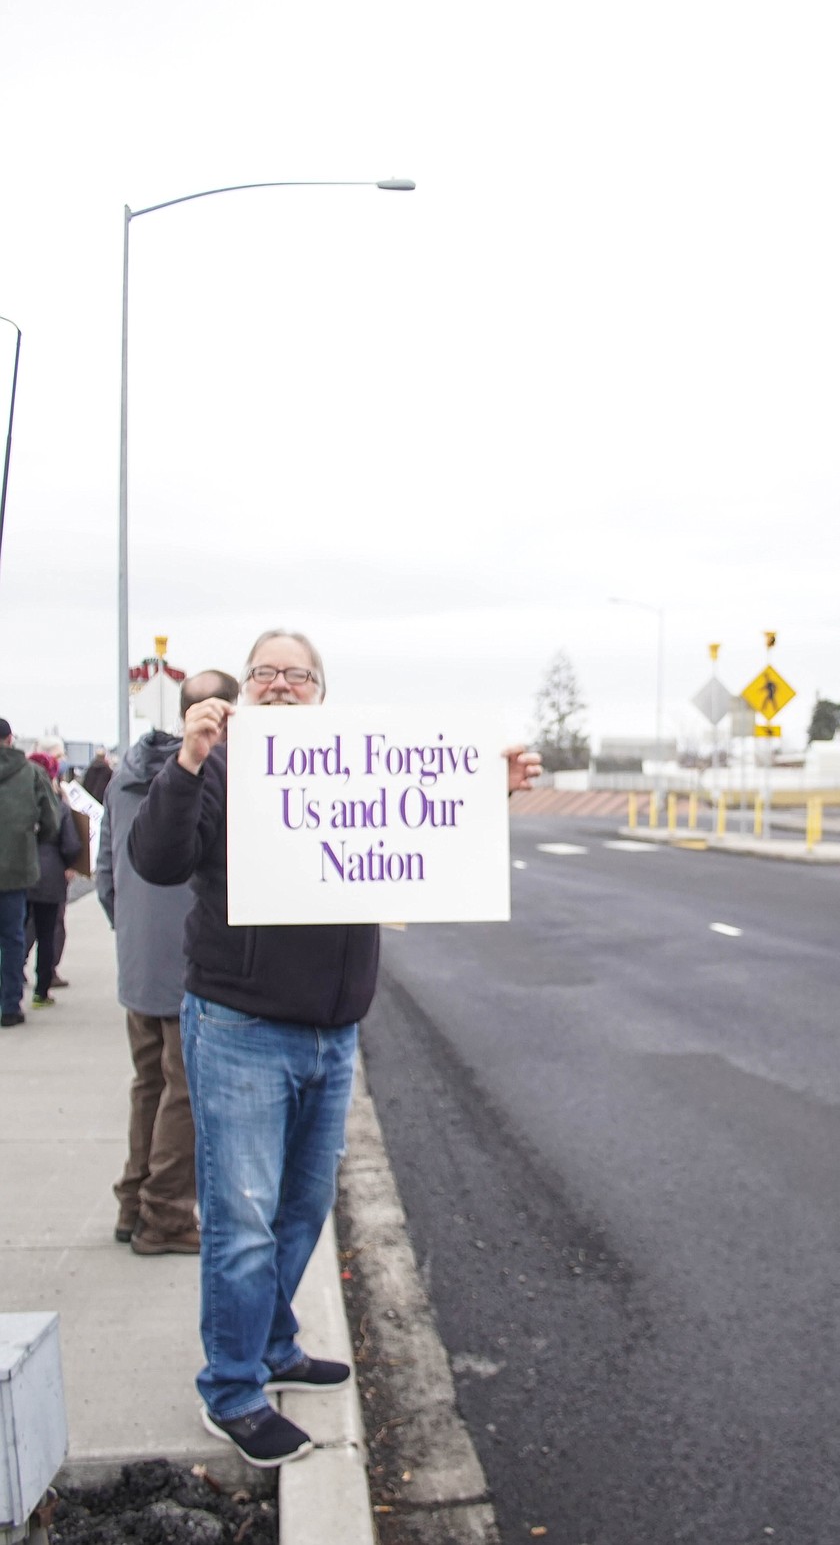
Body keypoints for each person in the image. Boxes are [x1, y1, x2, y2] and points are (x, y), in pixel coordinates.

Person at [129, 629, 540, 1470]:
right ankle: (233, 1389)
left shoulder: (350, 767)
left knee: (299, 1211)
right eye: (264, 673)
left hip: (333, 1029)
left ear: (321, 691)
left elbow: (420, 839)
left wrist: (482, 793)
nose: (280, 685)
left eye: (298, 674)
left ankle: (274, 1343)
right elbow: (157, 861)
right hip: (239, 1025)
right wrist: (190, 763)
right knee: (241, 1223)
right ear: (245, 689)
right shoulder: (219, 765)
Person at [96, 669, 240, 1254]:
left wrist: (130, 930)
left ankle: (131, 1202)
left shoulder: (124, 777)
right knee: (185, 1094)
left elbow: (106, 871)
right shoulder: (204, 776)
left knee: (148, 1084)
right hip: (186, 961)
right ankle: (165, 1217)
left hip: (137, 960)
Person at [0, 719, 61, 1028]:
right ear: (11, 739)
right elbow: (52, 822)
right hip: (16, 869)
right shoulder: (30, 773)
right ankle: (9, 1005)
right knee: (12, 938)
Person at [24, 751, 82, 1007]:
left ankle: (11, 986)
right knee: (47, 933)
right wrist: (70, 863)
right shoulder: (58, 805)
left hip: (19, 875)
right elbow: (70, 844)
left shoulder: (15, 800)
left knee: (16, 930)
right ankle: (42, 990)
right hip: (49, 876)